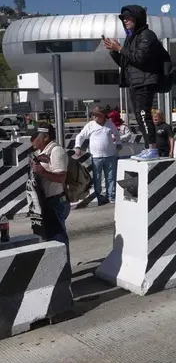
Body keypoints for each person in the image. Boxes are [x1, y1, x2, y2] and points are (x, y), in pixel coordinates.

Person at [104, 5, 167, 160]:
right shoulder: (130, 38)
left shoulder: (147, 35)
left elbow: (140, 58)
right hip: (135, 82)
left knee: (144, 114)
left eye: (128, 17)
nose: (125, 21)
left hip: (145, 81)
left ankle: (153, 148)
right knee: (139, 116)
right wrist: (114, 51)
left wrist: (120, 48)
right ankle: (149, 146)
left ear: (137, 18)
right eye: (123, 18)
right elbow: (126, 63)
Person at [27, 123, 71, 255]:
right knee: (48, 237)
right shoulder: (40, 152)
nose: (32, 140)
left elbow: (61, 178)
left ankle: (64, 269)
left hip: (56, 201)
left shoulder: (56, 151)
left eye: (35, 137)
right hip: (44, 202)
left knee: (58, 238)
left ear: (45, 137)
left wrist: (43, 172)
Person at [74, 107, 121, 205]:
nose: (94, 116)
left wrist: (118, 143)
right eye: (93, 114)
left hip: (110, 155)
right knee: (97, 177)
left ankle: (110, 195)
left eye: (96, 114)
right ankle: (99, 196)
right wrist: (77, 146)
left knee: (110, 177)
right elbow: (80, 136)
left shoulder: (109, 123)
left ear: (102, 115)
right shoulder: (90, 125)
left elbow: (116, 134)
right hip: (96, 156)